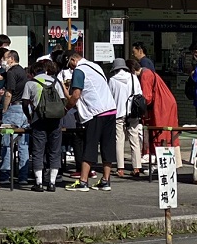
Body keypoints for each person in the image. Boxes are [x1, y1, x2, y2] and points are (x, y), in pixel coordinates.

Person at [65, 52, 117, 192]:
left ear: (73, 60)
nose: (70, 69)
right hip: (110, 109)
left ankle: (83, 181)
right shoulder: (95, 66)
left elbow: (76, 95)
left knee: (90, 145)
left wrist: (66, 108)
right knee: (108, 146)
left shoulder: (79, 70)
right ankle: (106, 180)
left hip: (95, 112)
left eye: (69, 65)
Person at [22, 56, 66, 192]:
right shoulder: (55, 81)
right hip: (55, 120)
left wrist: (29, 116)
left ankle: (39, 183)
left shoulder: (30, 83)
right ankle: (52, 183)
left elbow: (24, 102)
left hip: (38, 119)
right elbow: (63, 101)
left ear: (33, 72)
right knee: (55, 150)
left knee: (38, 151)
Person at [132, 58, 181, 169]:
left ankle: (162, 163)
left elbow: (147, 98)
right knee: (168, 132)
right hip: (166, 102)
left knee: (161, 132)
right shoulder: (148, 72)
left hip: (162, 104)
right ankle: (171, 161)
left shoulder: (145, 75)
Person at [0, 50, 30, 185]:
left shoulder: (11, 72)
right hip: (25, 109)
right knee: (23, 145)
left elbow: (9, 93)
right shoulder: (22, 71)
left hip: (14, 109)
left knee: (7, 143)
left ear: (11, 59)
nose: (3, 61)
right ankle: (23, 176)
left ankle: (5, 174)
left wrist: (4, 109)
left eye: (5, 58)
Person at [108, 57, 142, 177]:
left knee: (119, 140)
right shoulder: (133, 78)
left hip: (118, 113)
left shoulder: (112, 80)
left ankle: (120, 168)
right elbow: (139, 94)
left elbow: (110, 97)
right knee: (134, 139)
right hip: (133, 113)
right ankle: (137, 167)